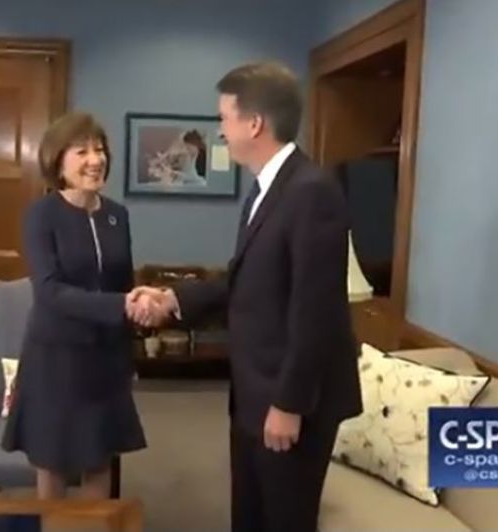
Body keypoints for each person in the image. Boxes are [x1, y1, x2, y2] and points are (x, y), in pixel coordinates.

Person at [130, 62, 363, 532]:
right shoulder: (266, 189)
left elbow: (315, 311)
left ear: (253, 123)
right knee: (250, 517)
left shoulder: (311, 192)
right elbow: (246, 279)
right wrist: (173, 299)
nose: (220, 130)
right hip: (255, 391)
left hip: (290, 401)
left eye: (224, 118)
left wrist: (289, 404)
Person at [1, 112, 150, 500]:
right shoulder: (41, 215)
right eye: (81, 150)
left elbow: (124, 283)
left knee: (99, 458)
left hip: (106, 358)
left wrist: (130, 348)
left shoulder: (118, 215)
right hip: (57, 357)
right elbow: (50, 291)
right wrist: (121, 304)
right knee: (53, 462)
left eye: (99, 149)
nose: (95, 159)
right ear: (57, 161)